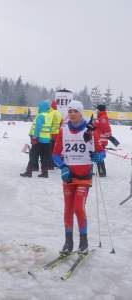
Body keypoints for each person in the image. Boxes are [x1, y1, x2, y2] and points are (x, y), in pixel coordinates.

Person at [52, 100, 105, 255]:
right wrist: (62, 167)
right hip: (68, 177)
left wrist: (97, 156)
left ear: (81, 112)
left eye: (75, 111)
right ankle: (68, 242)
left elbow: (101, 153)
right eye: (70, 111)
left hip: (84, 176)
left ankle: (84, 241)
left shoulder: (90, 131)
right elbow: (55, 154)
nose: (72, 114)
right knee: (68, 209)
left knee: (78, 207)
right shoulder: (63, 131)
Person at [20, 100, 53, 178]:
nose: (38, 108)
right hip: (47, 141)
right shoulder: (49, 116)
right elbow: (50, 128)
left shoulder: (41, 115)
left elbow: (38, 127)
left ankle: (29, 172)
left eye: (39, 107)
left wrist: (35, 136)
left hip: (39, 140)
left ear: (42, 107)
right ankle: (45, 173)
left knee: (32, 156)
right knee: (44, 157)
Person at [94, 104, 112, 177]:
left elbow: (106, 129)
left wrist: (107, 136)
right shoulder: (100, 117)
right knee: (98, 156)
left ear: (100, 110)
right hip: (99, 140)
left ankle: (102, 172)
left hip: (101, 140)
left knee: (99, 156)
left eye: (97, 109)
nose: (96, 111)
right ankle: (100, 172)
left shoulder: (103, 118)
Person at [49, 100, 63, 170]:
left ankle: (50, 164)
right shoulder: (59, 113)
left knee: (50, 150)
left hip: (51, 134)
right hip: (58, 133)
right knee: (56, 150)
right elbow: (61, 123)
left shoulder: (51, 113)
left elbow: (49, 122)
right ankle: (56, 163)